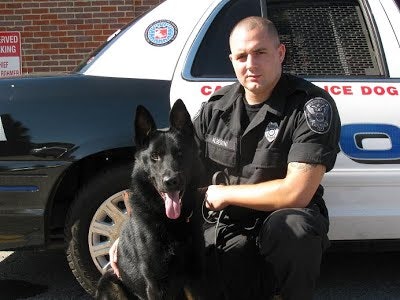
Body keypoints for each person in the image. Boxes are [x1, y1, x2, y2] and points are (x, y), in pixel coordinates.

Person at [110, 16, 341, 300]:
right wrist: (130, 236)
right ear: (232, 60)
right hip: (228, 227)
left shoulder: (309, 106)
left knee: (294, 228)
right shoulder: (215, 110)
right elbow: (170, 170)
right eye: (242, 56)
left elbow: (298, 192)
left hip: (280, 224)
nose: (251, 64)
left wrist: (227, 194)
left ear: (280, 53)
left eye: (260, 53)